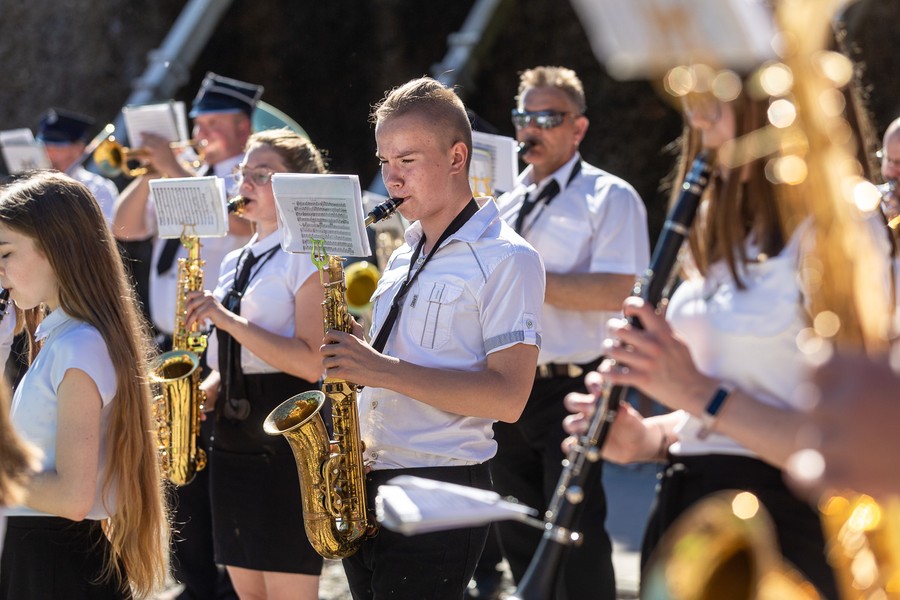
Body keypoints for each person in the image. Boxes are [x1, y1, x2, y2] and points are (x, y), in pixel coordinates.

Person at [560, 69, 892, 599]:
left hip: (785, 532)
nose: (696, 117)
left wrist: (697, 391)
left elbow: (860, 449)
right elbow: (723, 411)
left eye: (715, 100)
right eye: (691, 100)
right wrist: (649, 438)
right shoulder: (722, 233)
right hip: (690, 522)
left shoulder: (839, 233)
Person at [321, 76, 544, 600]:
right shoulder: (404, 251)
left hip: (440, 485)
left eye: (407, 160)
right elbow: (410, 357)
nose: (391, 178)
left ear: (456, 157)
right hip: (367, 477)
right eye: (384, 161)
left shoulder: (508, 258)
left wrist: (379, 369)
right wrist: (359, 346)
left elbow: (509, 398)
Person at [492, 65, 650, 600]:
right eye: (524, 116)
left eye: (548, 118)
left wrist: (523, 276)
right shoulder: (502, 201)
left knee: (575, 541)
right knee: (517, 533)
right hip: (504, 382)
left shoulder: (611, 196)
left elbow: (621, 289)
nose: (531, 128)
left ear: (578, 128)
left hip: (571, 385)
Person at [112, 72, 261, 600]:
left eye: (214, 122)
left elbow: (242, 226)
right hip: (170, 343)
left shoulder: (246, 182)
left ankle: (227, 584)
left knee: (215, 468)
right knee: (175, 466)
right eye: (198, 123)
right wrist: (150, 173)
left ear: (243, 128)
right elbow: (124, 228)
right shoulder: (184, 176)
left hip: (218, 346)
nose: (201, 132)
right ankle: (195, 579)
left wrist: (175, 170)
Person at [0, 171, 169, 599]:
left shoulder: (78, 346)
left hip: (55, 569)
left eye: (5, 254)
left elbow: (74, 497)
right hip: (42, 561)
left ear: (55, 248)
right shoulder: (63, 340)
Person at [182, 128, 327, 599]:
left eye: (261, 175)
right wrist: (208, 388)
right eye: (243, 173)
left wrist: (225, 319)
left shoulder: (308, 254)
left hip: (284, 429)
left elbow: (310, 362)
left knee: (288, 587)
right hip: (232, 428)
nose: (245, 184)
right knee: (248, 591)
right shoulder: (236, 260)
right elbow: (241, 353)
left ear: (296, 186)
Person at [35, 108, 119, 225]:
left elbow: (104, 230)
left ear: (79, 149)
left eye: (56, 148)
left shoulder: (99, 188)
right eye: (44, 146)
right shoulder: (30, 183)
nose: (48, 153)